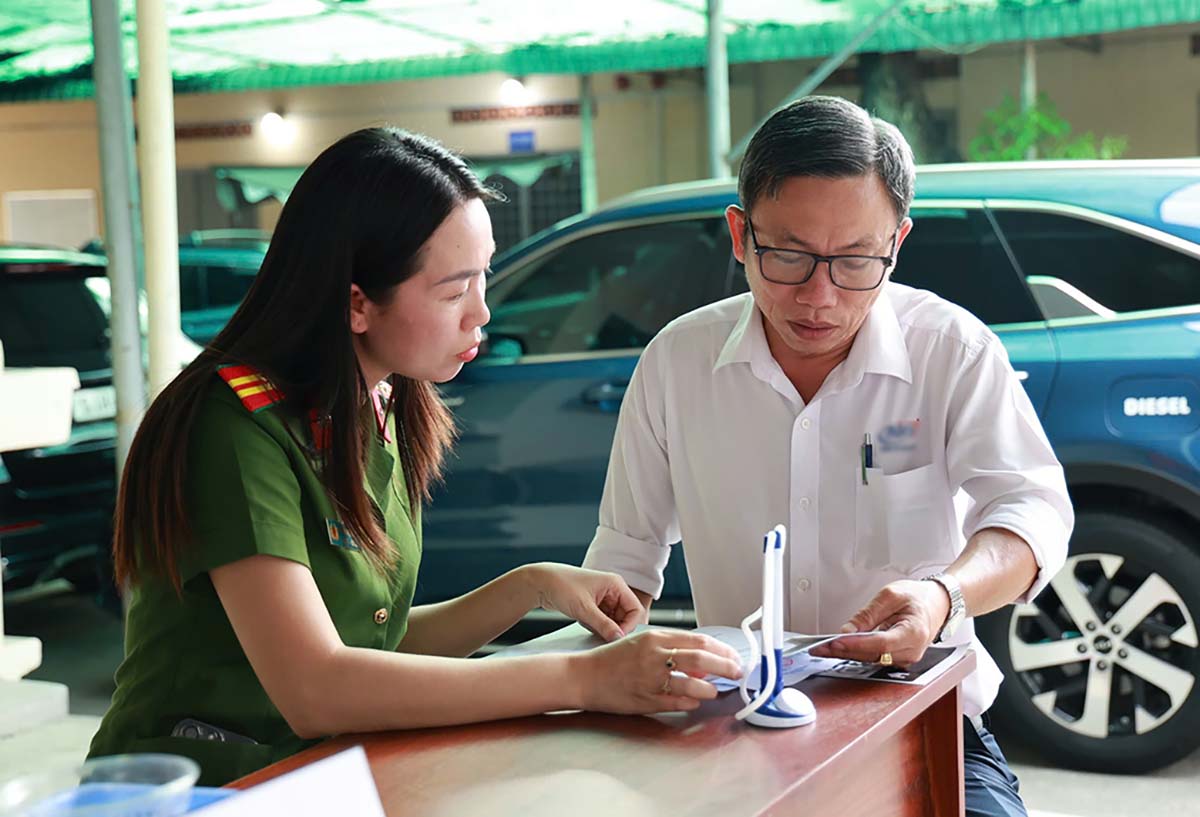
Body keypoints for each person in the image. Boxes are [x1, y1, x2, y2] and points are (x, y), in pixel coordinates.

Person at [88, 127, 742, 786]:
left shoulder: (378, 400)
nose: (482, 311)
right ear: (356, 302)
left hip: (312, 778)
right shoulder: (231, 426)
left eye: (484, 274)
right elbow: (318, 686)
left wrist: (531, 586)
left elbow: (370, 643)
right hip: (194, 788)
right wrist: (582, 677)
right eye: (455, 289)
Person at [582, 96, 1074, 817]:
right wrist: (607, 667)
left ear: (897, 243)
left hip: (924, 718)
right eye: (789, 255)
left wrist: (943, 594)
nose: (819, 296)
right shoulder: (676, 364)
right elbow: (623, 559)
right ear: (739, 234)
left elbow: (1030, 510)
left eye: (854, 262)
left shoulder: (951, 351)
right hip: (733, 722)